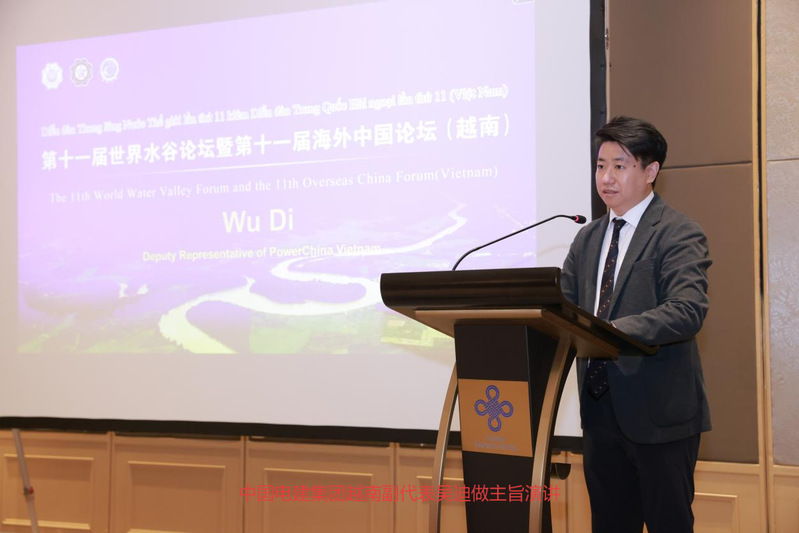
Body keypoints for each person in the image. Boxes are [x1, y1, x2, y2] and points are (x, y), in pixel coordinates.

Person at [561, 116, 712, 533]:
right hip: (599, 414)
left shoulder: (678, 233)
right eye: (600, 166)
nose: (606, 177)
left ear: (650, 171)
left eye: (619, 166)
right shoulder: (587, 239)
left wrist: (609, 331)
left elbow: (687, 309)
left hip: (660, 415)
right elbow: (564, 310)